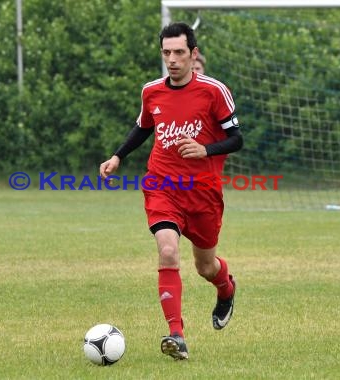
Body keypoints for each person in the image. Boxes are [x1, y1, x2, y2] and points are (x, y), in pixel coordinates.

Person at [99, 22, 243, 360]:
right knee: (167, 251)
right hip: (162, 184)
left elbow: (237, 139)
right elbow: (142, 127)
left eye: (179, 52)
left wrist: (205, 150)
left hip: (204, 192)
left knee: (205, 267)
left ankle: (226, 288)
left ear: (193, 54)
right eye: (167, 53)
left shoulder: (214, 91)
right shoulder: (152, 91)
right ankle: (175, 335)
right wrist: (118, 155)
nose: (172, 59)